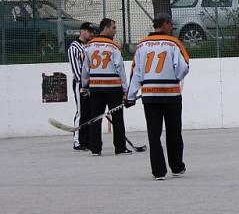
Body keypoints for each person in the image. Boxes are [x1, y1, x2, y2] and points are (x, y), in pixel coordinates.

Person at [126, 15, 190, 180]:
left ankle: (158, 172)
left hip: (150, 96)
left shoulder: (142, 45)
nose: (172, 28)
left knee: (154, 134)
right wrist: (174, 78)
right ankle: (176, 167)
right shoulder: (173, 43)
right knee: (174, 132)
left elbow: (136, 72)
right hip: (171, 95)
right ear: (165, 24)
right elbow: (184, 67)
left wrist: (130, 96)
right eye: (171, 24)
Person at [80, 18, 130, 155]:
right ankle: (120, 148)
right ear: (106, 28)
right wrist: (126, 90)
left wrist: (84, 85)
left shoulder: (89, 46)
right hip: (113, 88)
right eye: (113, 28)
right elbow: (120, 69)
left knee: (95, 118)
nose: (115, 30)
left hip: (96, 88)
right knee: (118, 118)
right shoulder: (113, 47)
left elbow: (85, 69)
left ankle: (95, 148)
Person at [67, 22, 95, 151]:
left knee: (89, 112)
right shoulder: (74, 47)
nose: (91, 34)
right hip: (80, 84)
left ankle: (88, 140)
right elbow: (76, 70)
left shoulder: (88, 46)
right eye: (89, 31)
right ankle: (78, 141)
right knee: (81, 112)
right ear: (82, 31)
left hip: (89, 84)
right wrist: (84, 85)